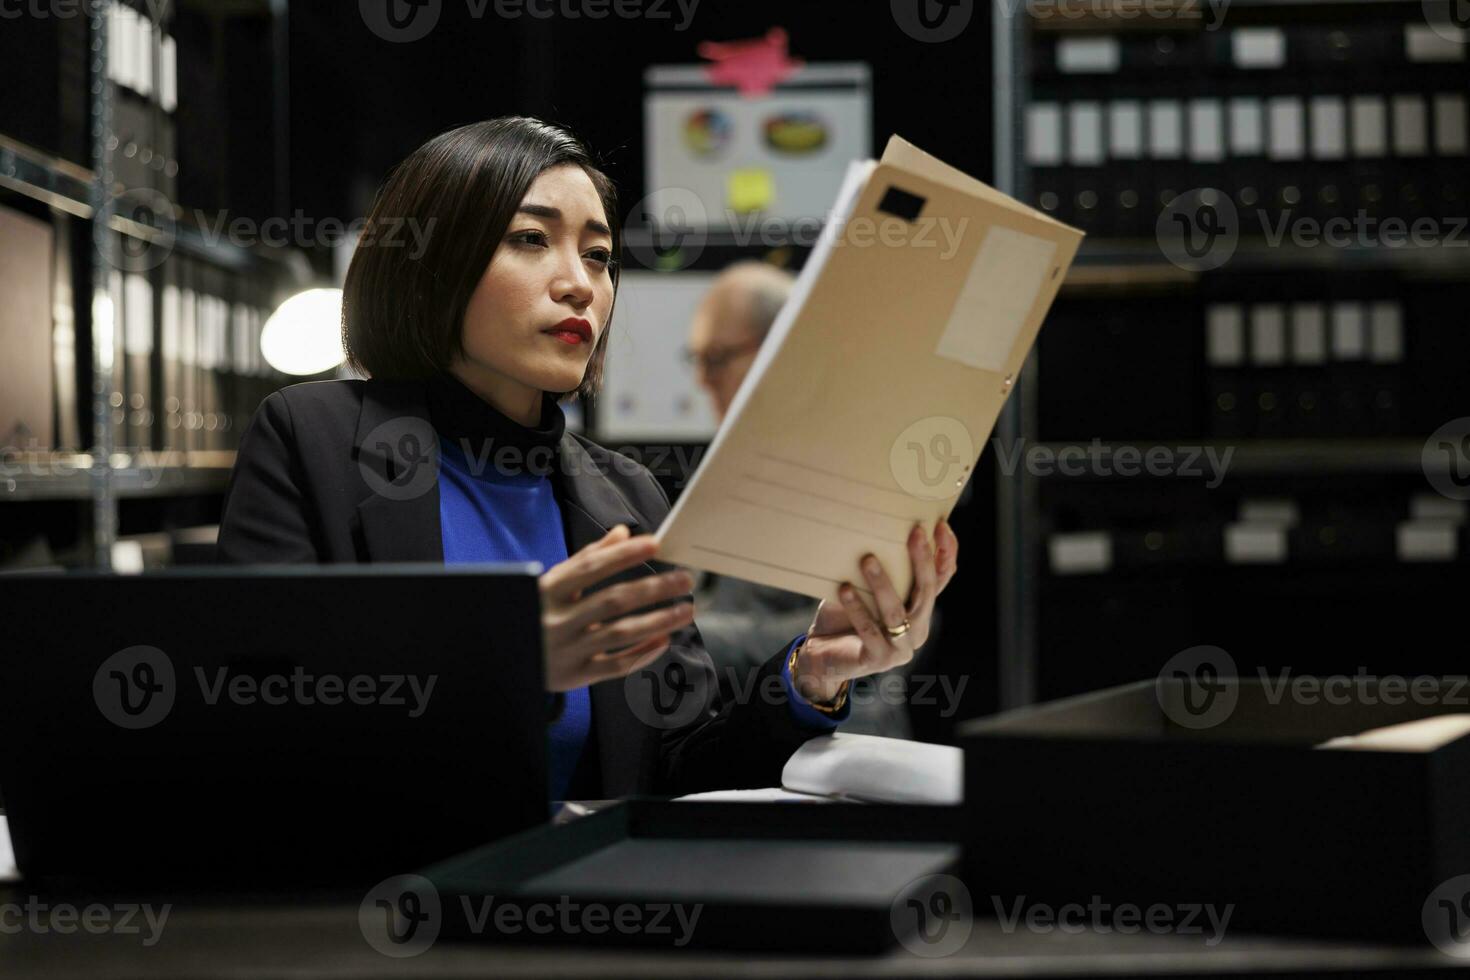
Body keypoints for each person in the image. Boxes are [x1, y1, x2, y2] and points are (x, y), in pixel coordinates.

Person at [215, 116, 958, 801]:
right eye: (531, 239)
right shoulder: (309, 439)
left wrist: (807, 677)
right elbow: (265, 729)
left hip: (585, 916)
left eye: (599, 255)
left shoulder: (627, 495)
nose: (581, 283)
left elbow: (679, 770)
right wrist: (509, 667)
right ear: (433, 262)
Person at [685, 261, 920, 737]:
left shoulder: (854, 462)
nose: (702, 381)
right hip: (772, 741)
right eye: (697, 361)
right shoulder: (749, 460)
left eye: (717, 359)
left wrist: (682, 633)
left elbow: (859, 621)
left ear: (783, 350)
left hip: (841, 757)